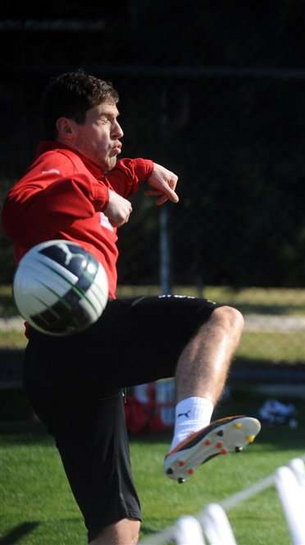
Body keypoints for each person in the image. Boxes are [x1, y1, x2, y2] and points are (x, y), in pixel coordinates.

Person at [2, 71, 261, 545]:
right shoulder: (59, 162)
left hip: (57, 365)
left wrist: (139, 170)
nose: (119, 131)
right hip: (83, 334)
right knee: (220, 319)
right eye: (106, 120)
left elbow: (103, 178)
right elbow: (18, 206)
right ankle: (189, 433)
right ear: (67, 128)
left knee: (117, 527)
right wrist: (104, 195)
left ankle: (184, 441)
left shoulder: (79, 172)